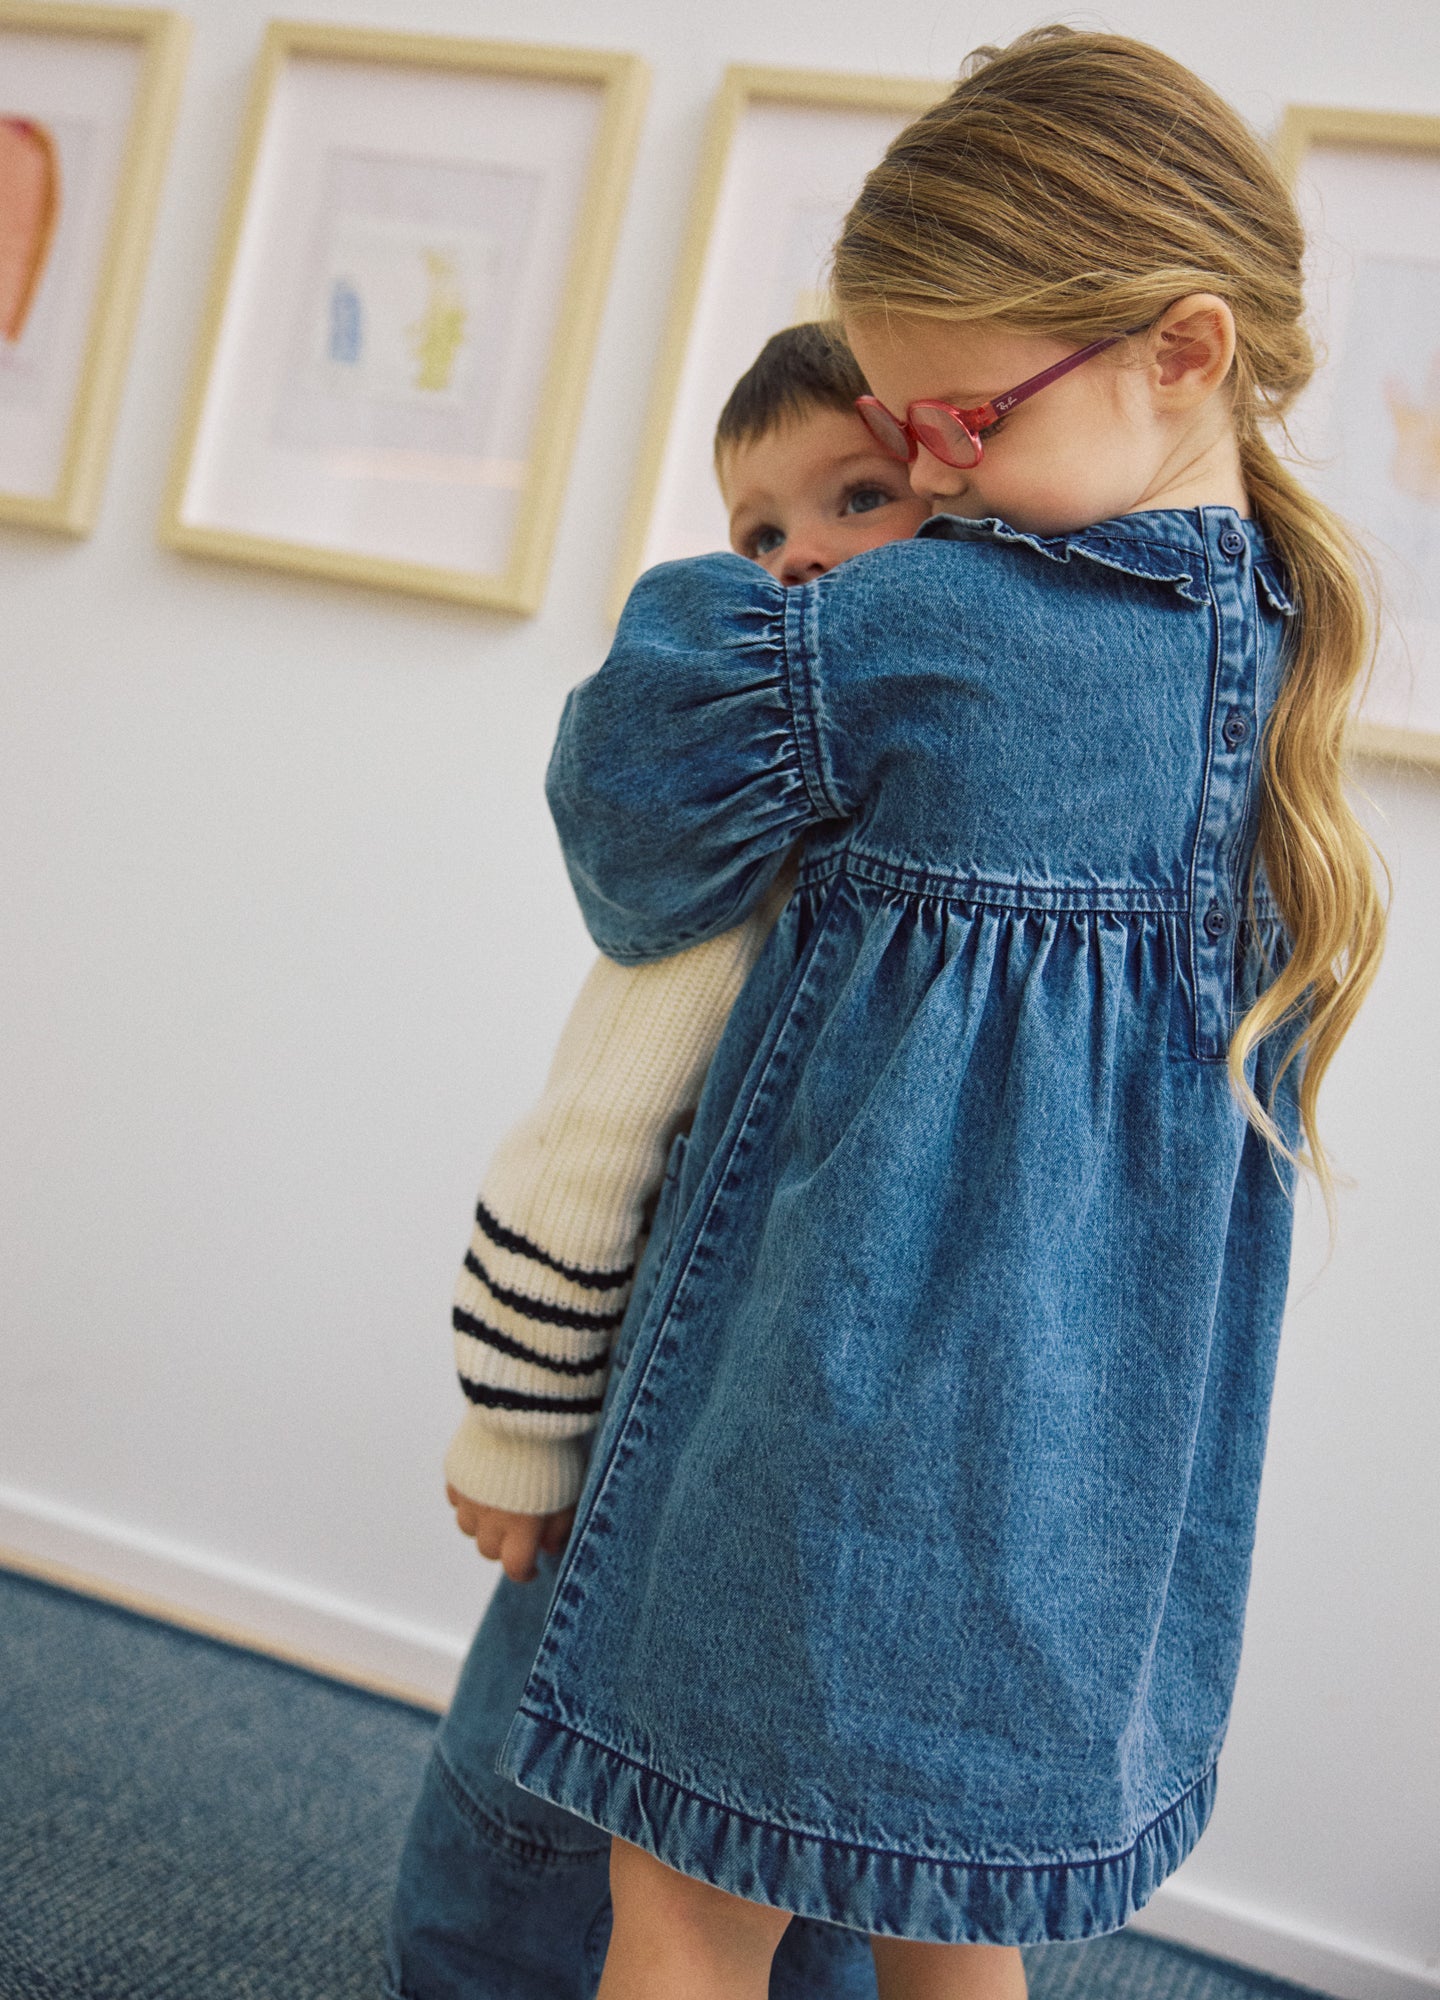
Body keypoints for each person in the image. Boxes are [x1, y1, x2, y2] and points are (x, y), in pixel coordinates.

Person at [485, 27, 1388, 2000]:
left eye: (958, 430)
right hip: (1085, 1482)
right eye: (898, 436)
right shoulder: (1284, 653)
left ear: (1185, 348)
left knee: (683, 1913)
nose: (926, 483)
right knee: (948, 1921)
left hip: (831, 1422)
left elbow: (629, 820)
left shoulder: (926, 628)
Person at [385, 325, 928, 2000]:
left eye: (861, 495)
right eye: (758, 532)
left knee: (691, 1863)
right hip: (644, 1453)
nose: (803, 553)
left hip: (775, 1466)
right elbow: (589, 1140)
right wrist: (515, 1427)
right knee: (569, 1838)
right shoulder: (758, 845)